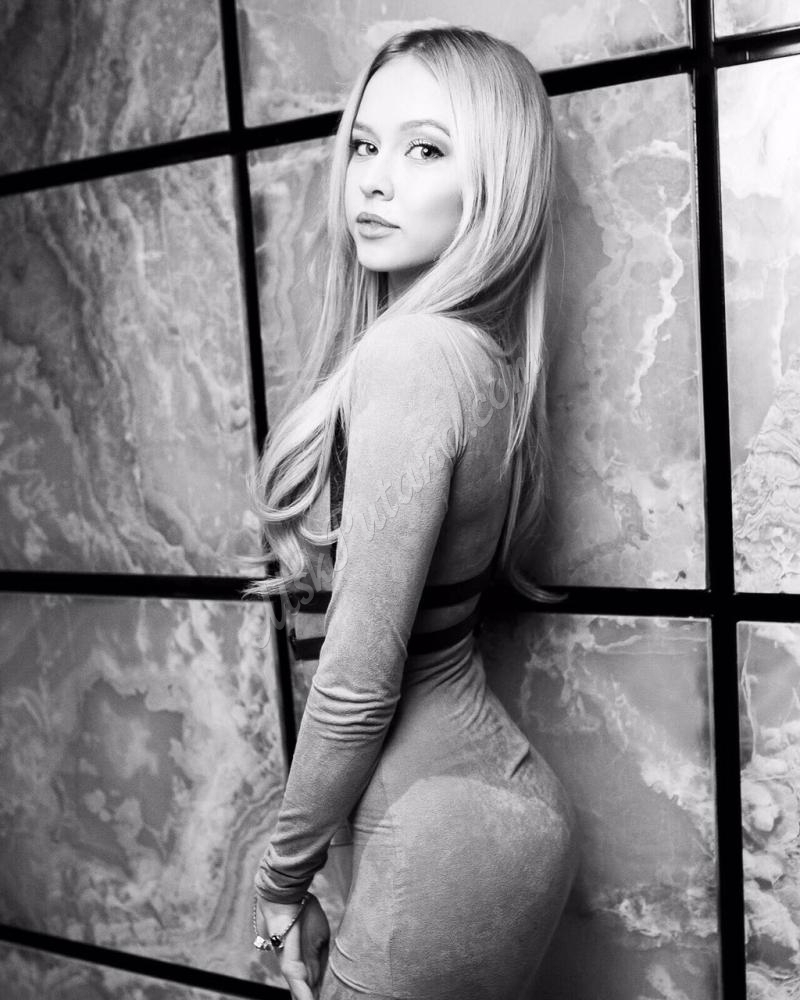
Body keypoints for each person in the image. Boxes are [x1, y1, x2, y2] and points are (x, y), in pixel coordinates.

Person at [248, 25, 578, 1000]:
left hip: (448, 826)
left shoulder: (414, 357)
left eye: (426, 149)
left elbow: (357, 682)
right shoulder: (474, 357)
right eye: (364, 145)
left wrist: (280, 881)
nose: (376, 180)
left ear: (494, 184)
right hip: (461, 811)